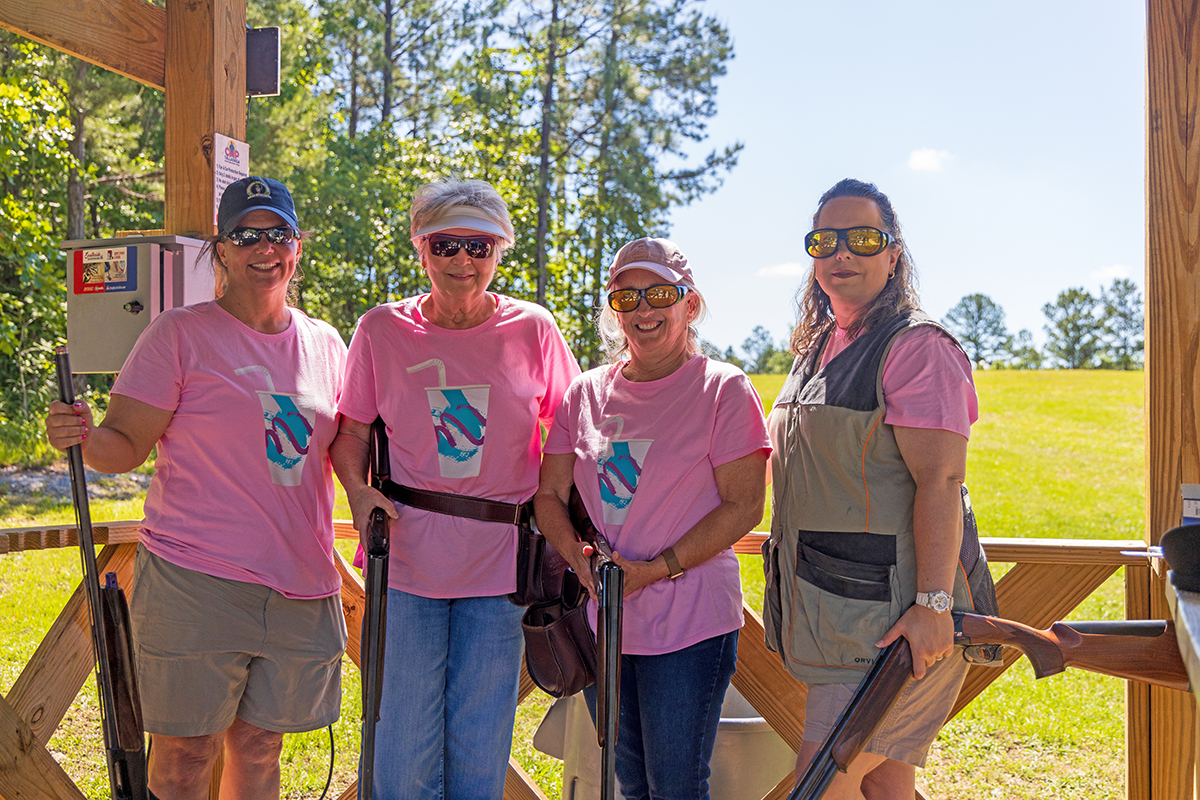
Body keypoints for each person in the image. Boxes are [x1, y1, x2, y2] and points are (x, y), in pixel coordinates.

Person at [45, 176, 348, 800]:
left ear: (298, 245)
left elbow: (351, 450)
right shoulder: (179, 334)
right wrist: (81, 436)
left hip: (300, 583)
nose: (264, 248)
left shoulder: (327, 343)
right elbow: (122, 445)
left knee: (262, 750)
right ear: (221, 249)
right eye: (245, 235)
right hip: (196, 581)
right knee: (184, 756)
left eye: (278, 234)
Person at [330, 178, 580, 800]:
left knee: (479, 744)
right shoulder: (381, 330)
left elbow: (573, 430)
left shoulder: (534, 330)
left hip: (502, 566)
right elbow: (350, 435)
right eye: (446, 245)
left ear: (500, 251)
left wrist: (556, 513)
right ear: (421, 248)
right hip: (408, 564)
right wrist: (360, 498)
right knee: (401, 748)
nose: (463, 261)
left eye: (479, 245)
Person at [762, 178, 979, 799]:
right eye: (825, 239)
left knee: (818, 784)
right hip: (840, 614)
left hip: (895, 623)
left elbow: (941, 481)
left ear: (893, 252)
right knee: (887, 785)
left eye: (862, 237)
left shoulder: (917, 348)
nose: (842, 253)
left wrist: (935, 608)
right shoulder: (819, 349)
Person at [534, 237, 770, 800]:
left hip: (691, 623)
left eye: (660, 293)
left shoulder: (724, 388)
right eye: (627, 297)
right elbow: (548, 494)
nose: (643, 309)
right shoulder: (583, 393)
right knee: (630, 782)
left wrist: (656, 569)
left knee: (677, 784)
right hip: (603, 621)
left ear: (690, 305)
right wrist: (577, 558)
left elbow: (745, 506)